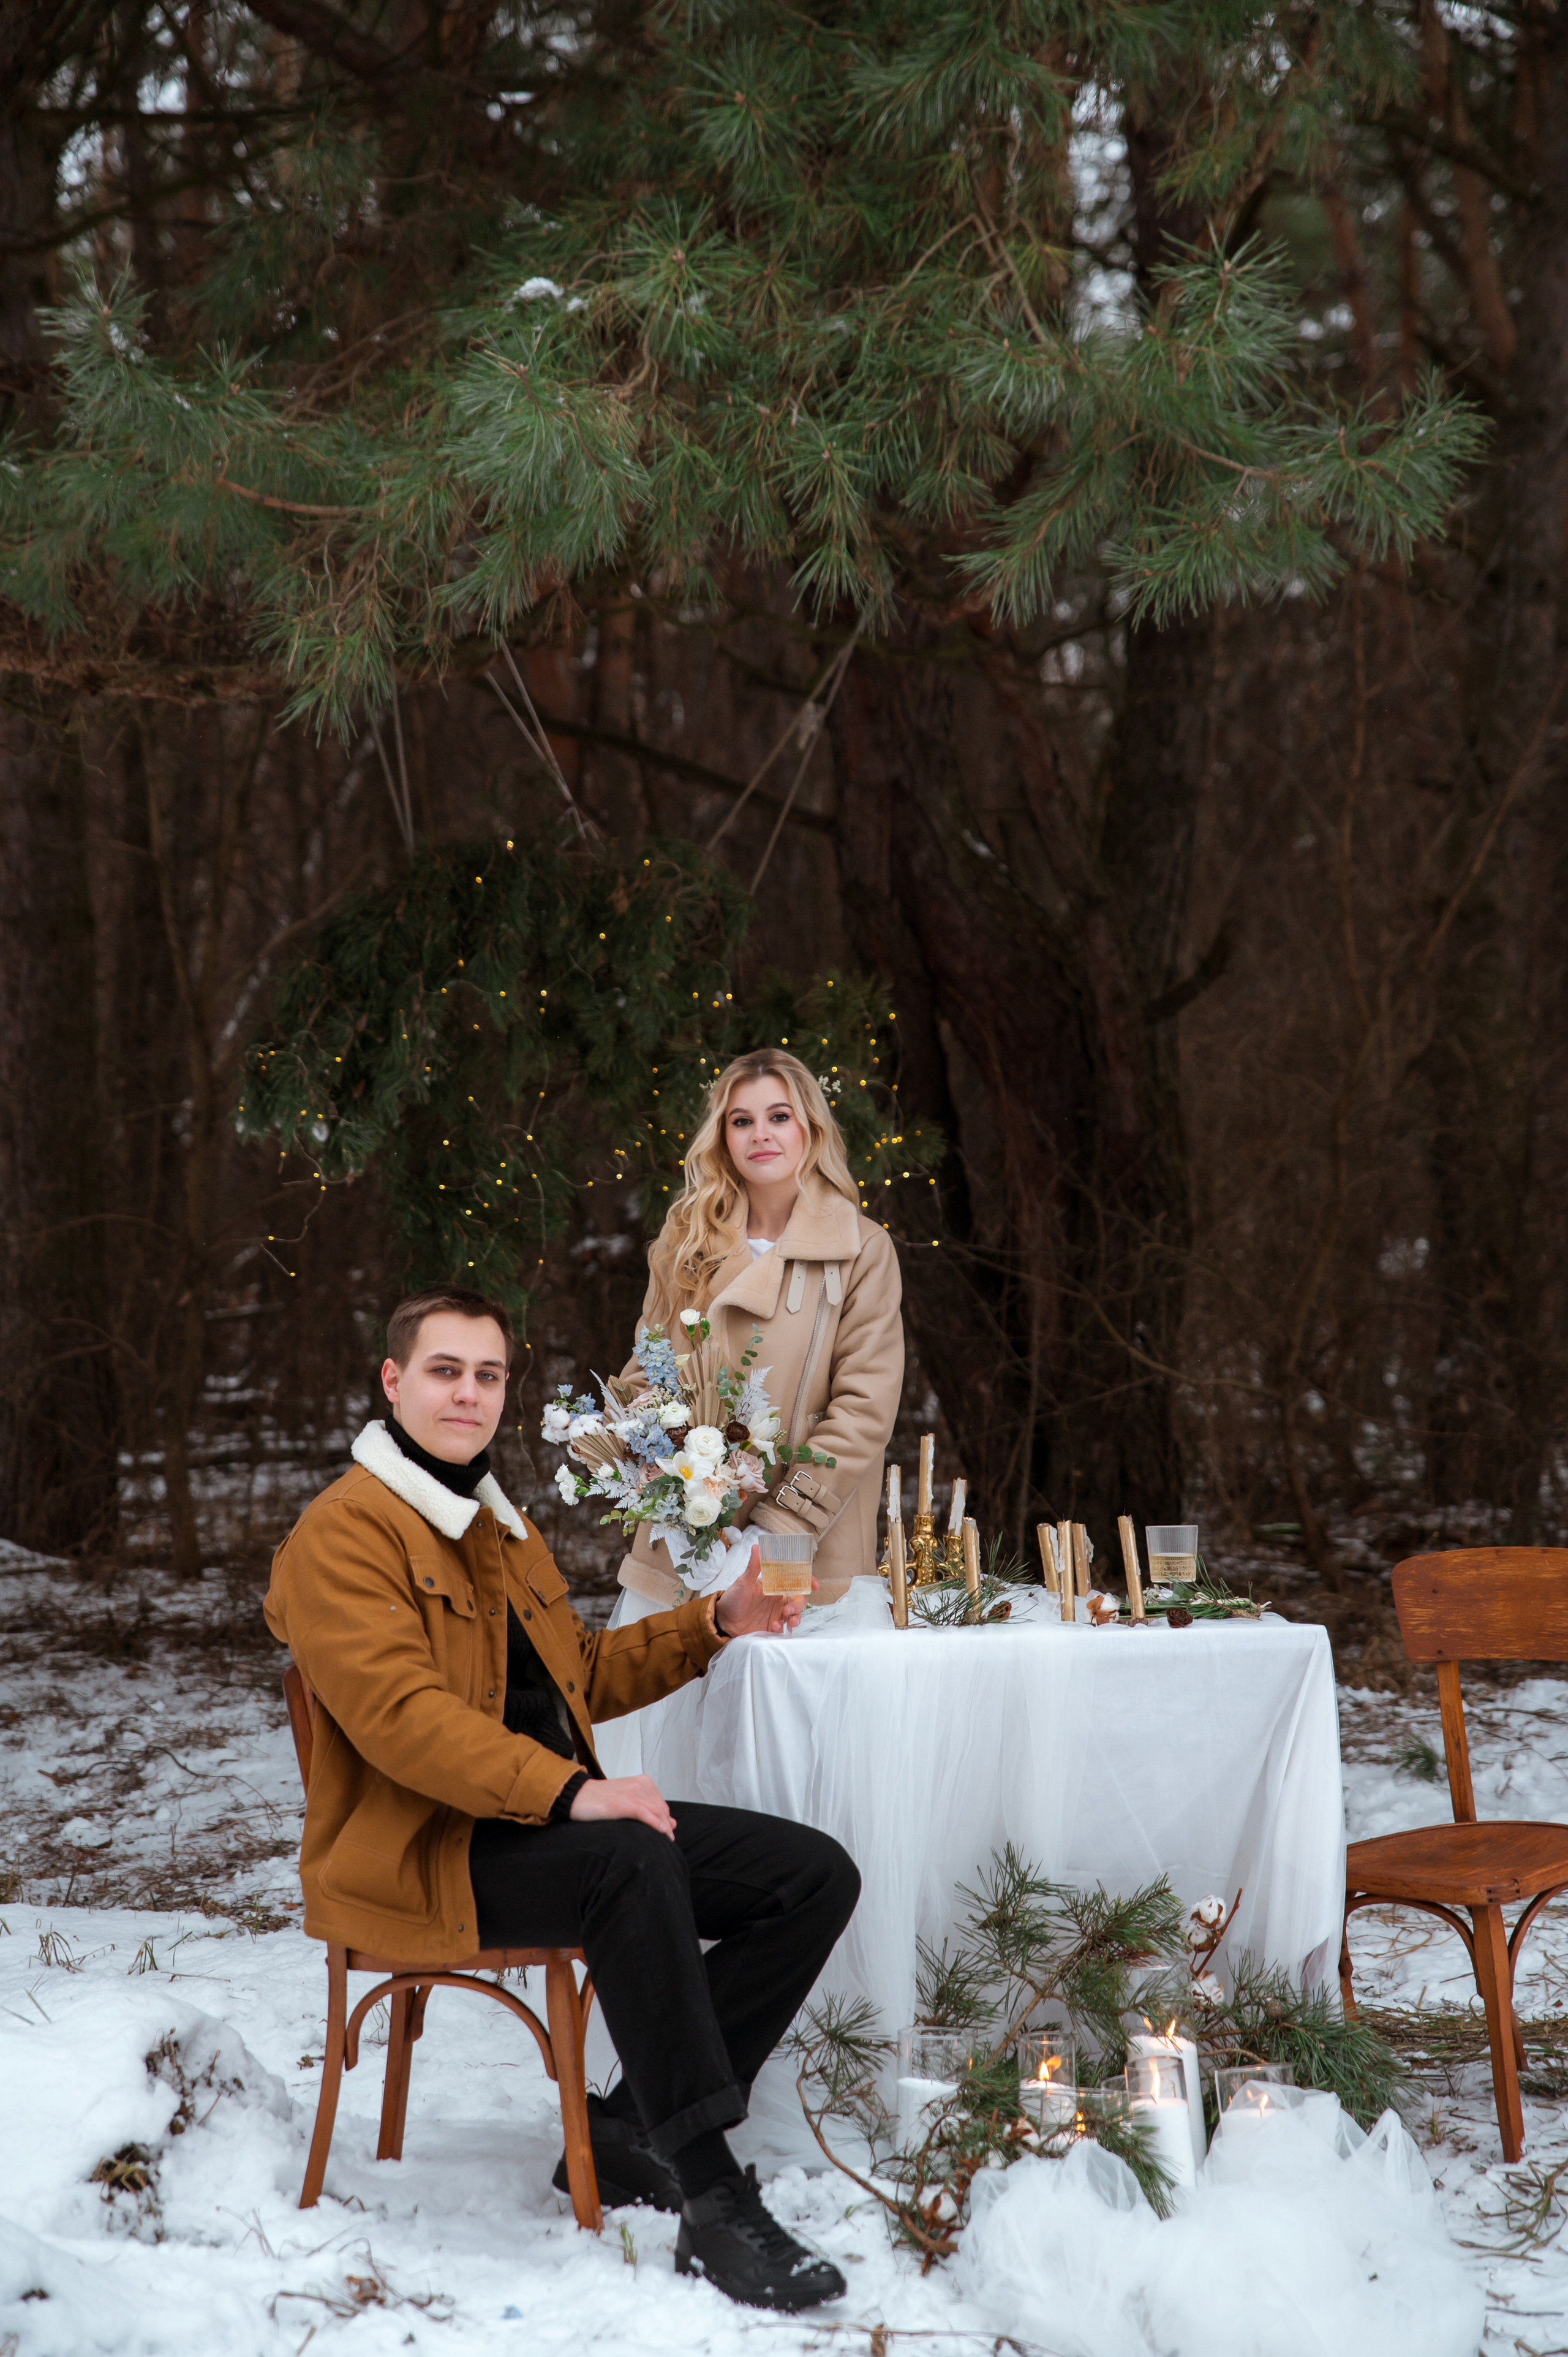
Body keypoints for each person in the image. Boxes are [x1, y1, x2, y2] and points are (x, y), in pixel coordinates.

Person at [264, 1285, 860, 2313]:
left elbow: (574, 1671)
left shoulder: (496, 1525)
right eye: (446, 1371)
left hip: (535, 1826)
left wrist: (713, 1621)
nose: (469, 1393)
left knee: (809, 1876)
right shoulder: (344, 1534)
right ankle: (714, 2201)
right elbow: (404, 1718)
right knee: (629, 1857)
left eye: (488, 1374)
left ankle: (633, 2125)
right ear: (394, 1381)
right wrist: (573, 1793)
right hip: (427, 1854)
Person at [611, 1048, 904, 1624]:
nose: (760, 1134)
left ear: (810, 1129)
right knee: (673, 1696)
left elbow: (864, 1408)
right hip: (685, 1546)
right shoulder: (685, 1244)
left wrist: (779, 1524)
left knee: (780, 1694)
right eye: (741, 1120)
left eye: (779, 1116)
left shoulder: (861, 1249)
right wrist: (676, 1492)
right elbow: (645, 1377)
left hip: (799, 1543)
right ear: (722, 1136)